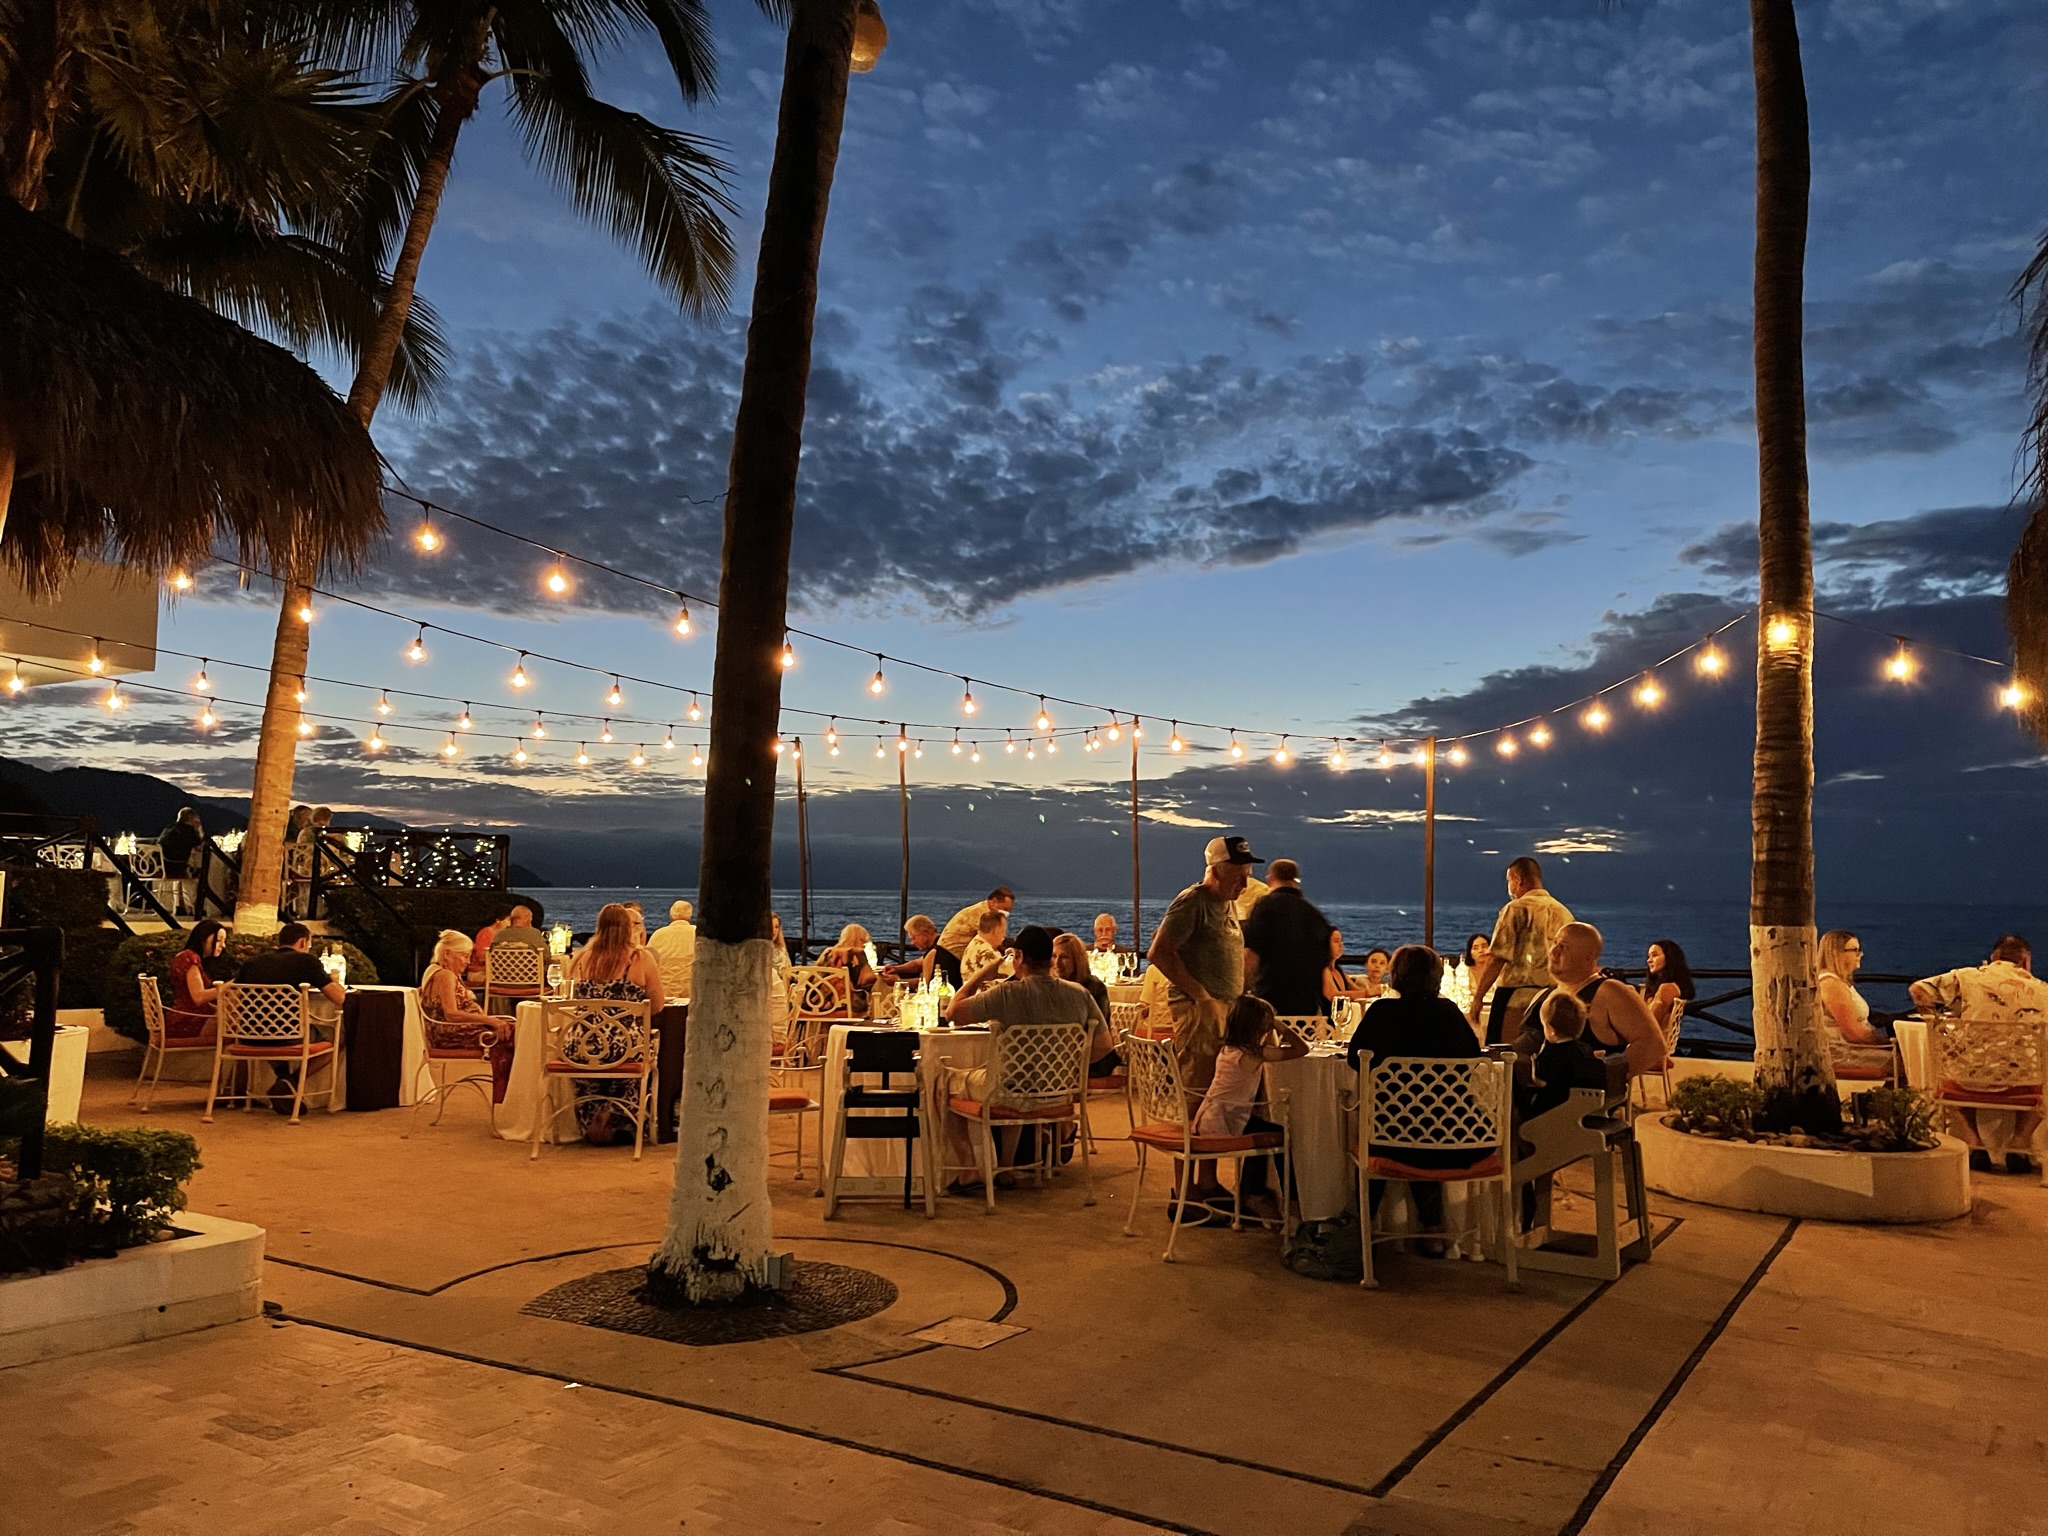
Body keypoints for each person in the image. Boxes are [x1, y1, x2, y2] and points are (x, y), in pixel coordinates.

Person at [945, 924, 1113, 1193]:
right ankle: (1005, 1168)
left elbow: (953, 1013)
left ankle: (968, 1170)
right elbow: (1105, 1045)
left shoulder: (1007, 994)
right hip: (1059, 1093)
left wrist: (981, 974)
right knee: (1017, 1075)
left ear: (1019, 957)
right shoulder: (1079, 994)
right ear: (1049, 959)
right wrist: (1069, 1069)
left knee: (942, 1083)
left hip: (1009, 1091)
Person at [1345, 945, 1485, 1247]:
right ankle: (1433, 1229)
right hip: (1452, 1136)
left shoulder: (1381, 1012)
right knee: (1426, 1118)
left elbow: (1355, 1059)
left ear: (1396, 975)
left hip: (1390, 1135)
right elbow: (1474, 1059)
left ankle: (1361, 1225)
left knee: (1389, 1124)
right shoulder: (1449, 1014)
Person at [1910, 935, 2048, 1174]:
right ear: (2025, 961)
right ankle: (2020, 1140)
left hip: (1969, 1078)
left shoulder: (1966, 976)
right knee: (2042, 1081)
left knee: (1954, 1068)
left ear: (1993, 959)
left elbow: (1918, 989)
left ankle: (1974, 1139)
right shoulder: (2042, 989)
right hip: (2022, 1081)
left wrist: (1935, 1018)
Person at [1146, 836, 1257, 1102]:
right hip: (1200, 1010)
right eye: (1238, 876)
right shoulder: (1193, 902)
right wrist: (1201, 996)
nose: (1244, 884)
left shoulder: (1228, 902)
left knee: (1222, 1086)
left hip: (1227, 1008)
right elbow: (1158, 952)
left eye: (1248, 876)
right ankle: (1190, 1141)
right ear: (1216, 871)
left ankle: (1211, 1135)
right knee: (1199, 1082)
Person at [1185, 995, 1306, 1224]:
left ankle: (1252, 1191)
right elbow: (1301, 1049)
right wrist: (1279, 1025)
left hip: (1207, 1118)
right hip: (1226, 1122)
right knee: (1280, 1136)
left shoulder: (1228, 1049)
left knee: (1260, 1129)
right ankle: (1286, 1203)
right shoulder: (1254, 1055)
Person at [234, 923, 348, 1113]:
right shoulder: (306, 961)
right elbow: (339, 998)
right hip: (289, 1036)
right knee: (337, 1036)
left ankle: (283, 1079)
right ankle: (290, 1081)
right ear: (303, 941)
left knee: (273, 1030)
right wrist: (332, 981)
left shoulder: (251, 963)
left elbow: (236, 996)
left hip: (249, 1034)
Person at [1530, 923, 1667, 1078]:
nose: (1553, 951)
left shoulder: (1608, 991)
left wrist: (1605, 1079)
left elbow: (1652, 1044)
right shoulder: (1547, 994)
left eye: (1564, 947)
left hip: (1568, 1097)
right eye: (1555, 943)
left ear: (1588, 958)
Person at [1467, 857, 1576, 1046]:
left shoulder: (1516, 909)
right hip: (1553, 996)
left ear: (1518, 880)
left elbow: (1498, 957)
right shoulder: (1564, 913)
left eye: (1509, 881)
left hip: (1515, 999)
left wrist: (1478, 998)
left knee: (1505, 1056)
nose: (1509, 887)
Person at [419, 930, 514, 1102]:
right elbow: (451, 1014)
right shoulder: (445, 975)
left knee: (512, 1028)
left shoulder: (439, 971)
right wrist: (489, 1020)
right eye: (463, 956)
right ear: (447, 954)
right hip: (450, 1034)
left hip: (458, 1030)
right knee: (512, 1036)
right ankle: (506, 1097)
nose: (468, 962)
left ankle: (508, 1093)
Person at [1241, 857, 1334, 1019]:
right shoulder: (1314, 915)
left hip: (1269, 1003)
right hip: (1307, 1007)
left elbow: (1251, 955)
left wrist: (1241, 992)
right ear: (1296, 881)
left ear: (1270, 879)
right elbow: (1327, 960)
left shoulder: (1264, 907)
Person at [1524, 989, 1610, 1120]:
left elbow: (1539, 1079)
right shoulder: (1584, 1048)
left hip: (1553, 1110)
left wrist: (1538, 1056)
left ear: (1551, 1030)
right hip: (1584, 1108)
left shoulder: (1551, 1054)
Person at [568, 902, 667, 1008]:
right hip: (627, 1024)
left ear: (600, 927)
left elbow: (576, 999)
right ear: (627, 927)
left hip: (587, 1024)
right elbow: (657, 1004)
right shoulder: (640, 957)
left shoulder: (582, 958)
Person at [1052, 932, 1121, 1080]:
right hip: (1059, 1054)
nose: (1057, 963)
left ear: (1077, 960)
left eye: (1064, 957)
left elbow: (1094, 1029)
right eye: (1053, 956)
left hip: (1092, 1057)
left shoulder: (1093, 988)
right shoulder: (1051, 987)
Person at [936, 886, 1016, 988]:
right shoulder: (983, 915)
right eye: (1004, 909)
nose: (1006, 913)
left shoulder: (981, 912)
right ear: (994, 901)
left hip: (958, 953)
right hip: (950, 954)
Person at [164, 919, 227, 1039]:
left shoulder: (184, 955)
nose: (223, 946)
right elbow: (198, 997)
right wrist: (228, 987)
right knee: (233, 1030)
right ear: (203, 938)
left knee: (230, 1018)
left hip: (183, 1016)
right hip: (188, 1020)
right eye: (218, 940)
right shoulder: (190, 958)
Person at [818, 923, 877, 1016]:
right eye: (864, 942)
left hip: (821, 1004)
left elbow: (815, 974)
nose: (864, 945)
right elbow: (869, 979)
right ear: (859, 940)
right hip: (850, 1006)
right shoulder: (857, 953)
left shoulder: (828, 952)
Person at [1643, 939, 1697, 1040]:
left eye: (1655, 955)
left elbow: (1650, 1023)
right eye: (1648, 956)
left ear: (1669, 958)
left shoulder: (1667, 988)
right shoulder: (1673, 986)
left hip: (1649, 1043)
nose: (1649, 960)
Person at [646, 899, 698, 1001]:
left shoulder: (658, 934)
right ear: (690, 915)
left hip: (664, 992)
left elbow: (648, 962)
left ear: (671, 915)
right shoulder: (696, 933)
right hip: (691, 991)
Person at [157, 808, 204, 914]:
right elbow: (200, 847)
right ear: (191, 818)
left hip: (162, 867)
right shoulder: (188, 831)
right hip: (177, 867)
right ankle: (193, 907)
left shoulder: (168, 829)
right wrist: (198, 828)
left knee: (183, 873)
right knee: (196, 874)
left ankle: (179, 906)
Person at [880, 914, 939, 985]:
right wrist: (896, 968)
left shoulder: (940, 950)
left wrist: (898, 982)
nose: (912, 943)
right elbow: (917, 964)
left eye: (914, 938)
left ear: (924, 933)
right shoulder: (935, 944)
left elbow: (928, 982)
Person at [959, 908, 1009, 988]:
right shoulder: (987, 953)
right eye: (1003, 931)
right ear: (996, 931)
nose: (1004, 935)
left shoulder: (975, 943)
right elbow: (1008, 975)